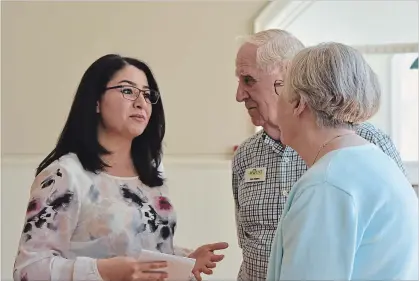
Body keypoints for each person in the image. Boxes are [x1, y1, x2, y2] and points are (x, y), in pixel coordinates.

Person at [13, 54, 228, 281]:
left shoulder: (152, 175)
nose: (141, 102)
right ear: (96, 101)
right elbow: (28, 270)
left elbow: (137, 254)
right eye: (127, 91)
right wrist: (101, 271)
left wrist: (182, 261)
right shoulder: (65, 175)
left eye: (147, 94)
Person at [232, 29, 407, 281]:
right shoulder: (245, 156)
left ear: (288, 79)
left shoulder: (358, 150)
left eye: (248, 80)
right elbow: (245, 241)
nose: (239, 95)